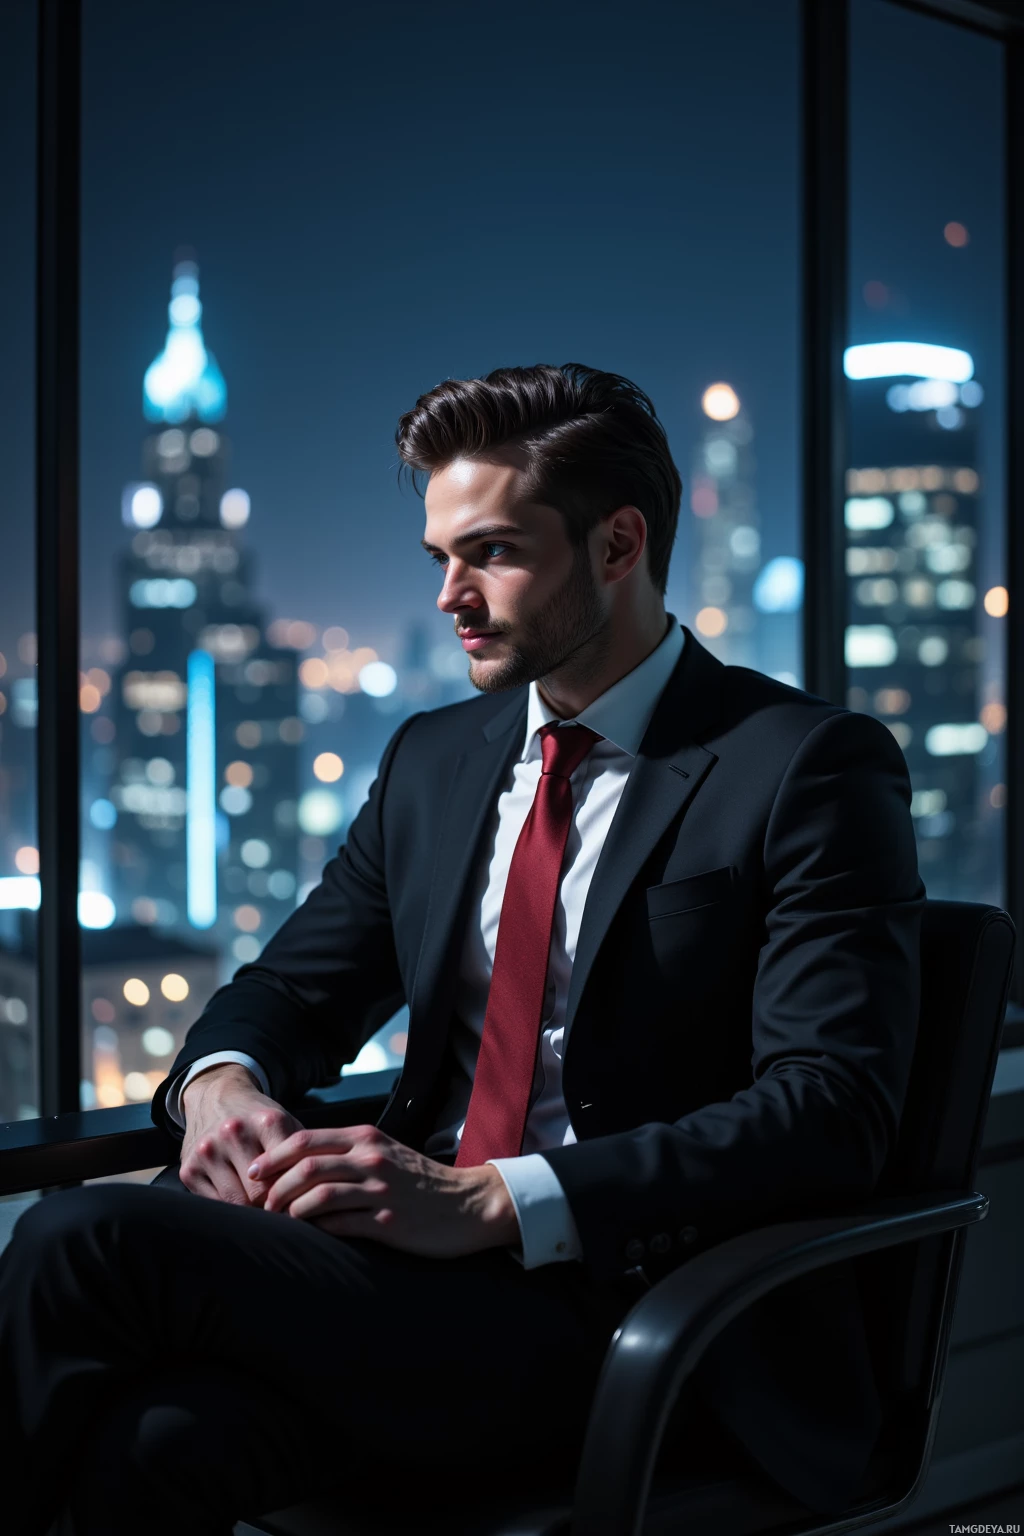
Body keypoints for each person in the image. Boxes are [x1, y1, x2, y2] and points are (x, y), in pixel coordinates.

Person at [0, 363, 925, 1536]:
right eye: (438, 557)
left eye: (488, 553)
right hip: (411, 1298)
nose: (450, 595)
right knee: (158, 1446)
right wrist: (223, 1084)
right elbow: (289, 988)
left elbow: (829, 1109)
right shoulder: (436, 760)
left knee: (83, 1236)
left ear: (617, 543)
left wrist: (496, 1198)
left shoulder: (799, 766)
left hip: (633, 1310)